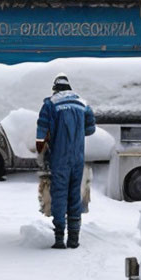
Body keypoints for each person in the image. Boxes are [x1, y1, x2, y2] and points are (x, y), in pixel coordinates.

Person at [35, 74, 96, 249]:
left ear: (55, 88)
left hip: (59, 157)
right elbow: (90, 129)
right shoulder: (82, 103)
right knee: (74, 194)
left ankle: (60, 238)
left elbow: (41, 133)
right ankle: (74, 238)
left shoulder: (50, 104)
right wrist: (76, 133)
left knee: (60, 194)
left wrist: (41, 150)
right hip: (77, 156)